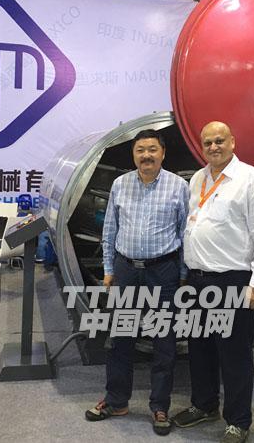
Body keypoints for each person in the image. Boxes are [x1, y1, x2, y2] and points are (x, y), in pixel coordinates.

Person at [173, 121, 254, 443]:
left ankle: (238, 421)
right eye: (208, 142)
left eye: (219, 140)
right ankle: (204, 405)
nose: (214, 147)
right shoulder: (198, 179)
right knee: (199, 348)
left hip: (232, 280)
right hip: (197, 280)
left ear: (232, 142)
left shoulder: (250, 179)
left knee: (234, 355)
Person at [85, 129, 189, 436]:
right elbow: (110, 230)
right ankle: (117, 400)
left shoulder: (178, 186)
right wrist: (108, 268)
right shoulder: (121, 184)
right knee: (121, 338)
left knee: (164, 341)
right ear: (133, 155)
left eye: (152, 149)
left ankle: (160, 406)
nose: (146, 155)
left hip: (163, 271)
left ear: (163, 153)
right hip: (126, 270)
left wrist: (183, 275)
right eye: (140, 150)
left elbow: (186, 233)